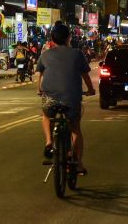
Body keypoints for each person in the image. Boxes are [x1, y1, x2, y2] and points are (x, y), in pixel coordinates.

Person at [36, 22, 95, 176]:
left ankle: (49, 140)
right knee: (75, 130)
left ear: (52, 39)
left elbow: (40, 75)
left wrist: (39, 90)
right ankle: (79, 164)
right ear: (69, 38)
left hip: (50, 98)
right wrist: (91, 90)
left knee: (46, 115)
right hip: (71, 99)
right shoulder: (77, 54)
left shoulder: (45, 54)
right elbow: (85, 76)